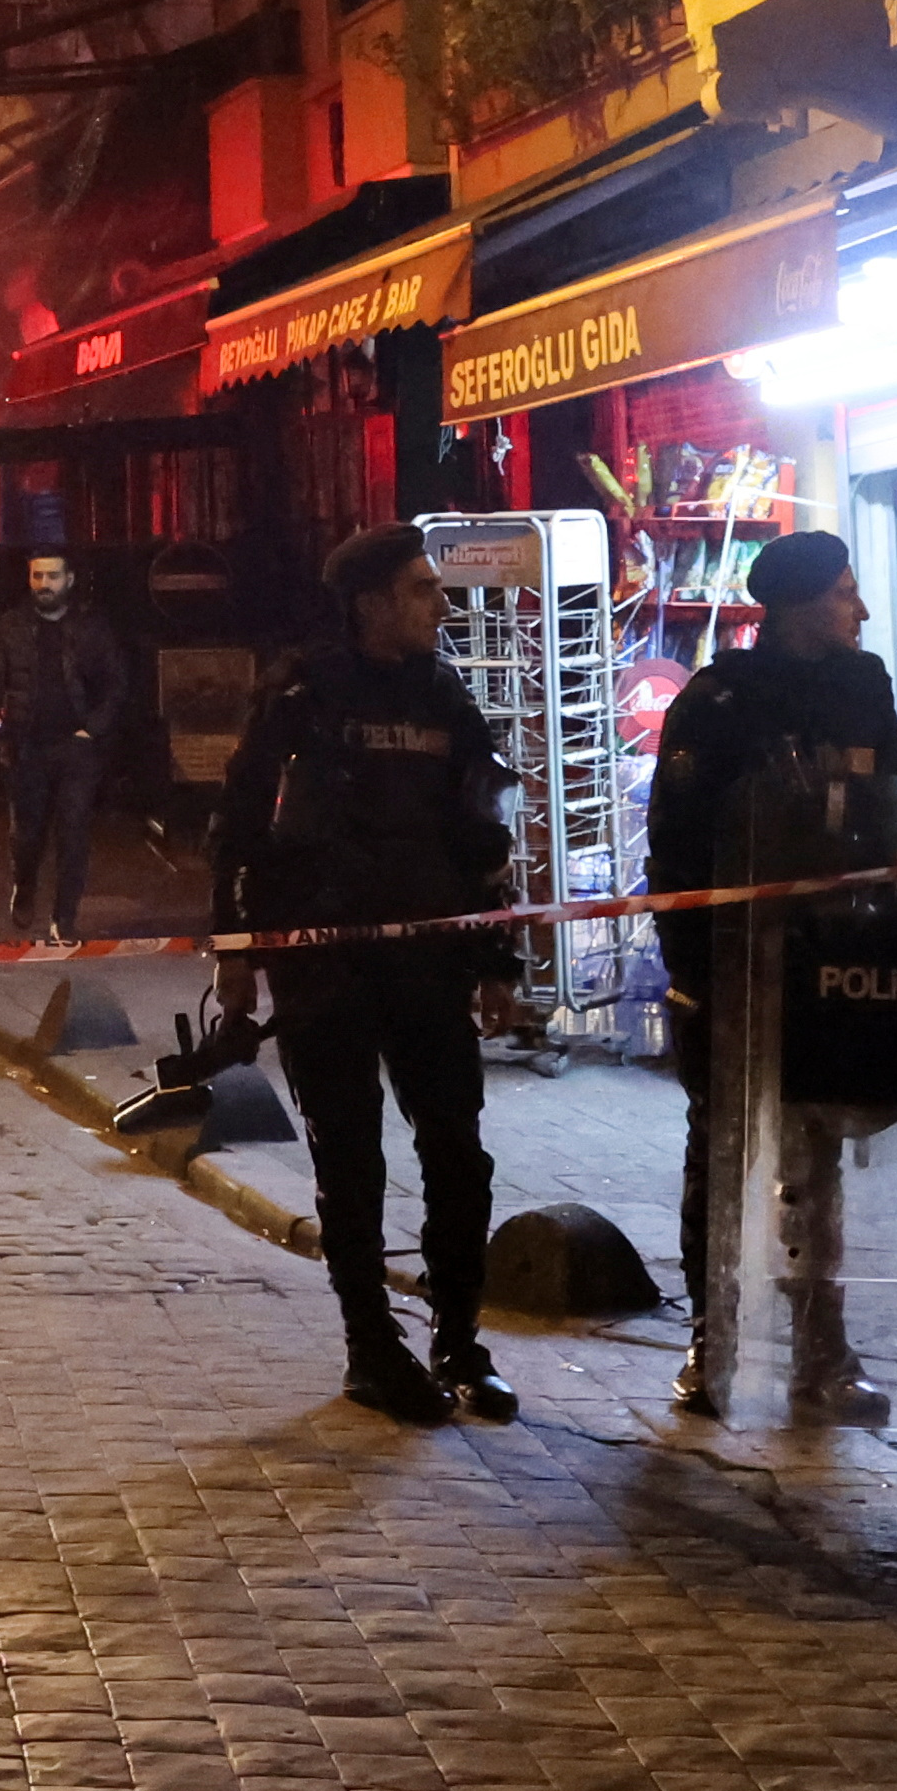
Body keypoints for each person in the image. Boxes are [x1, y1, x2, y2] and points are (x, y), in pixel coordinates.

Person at [214, 522, 524, 1427]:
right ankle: (371, 1349)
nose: (441, 603)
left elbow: (482, 840)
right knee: (350, 1162)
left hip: (428, 967)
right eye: (423, 588)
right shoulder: (302, 696)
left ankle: (459, 1339)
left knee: (458, 1159)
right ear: (370, 603)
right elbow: (238, 830)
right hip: (327, 967)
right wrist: (236, 956)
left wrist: (497, 960)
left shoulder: (445, 696)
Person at [641, 529, 897, 1422]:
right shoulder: (722, 701)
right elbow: (676, 849)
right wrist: (692, 974)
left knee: (820, 1154)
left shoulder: (861, 685)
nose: (861, 609)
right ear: (799, 607)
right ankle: (714, 1334)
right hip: (738, 962)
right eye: (846, 592)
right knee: (725, 1151)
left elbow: (896, 815)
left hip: (836, 955)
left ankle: (821, 1346)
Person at [0, 546, 149, 937]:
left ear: (69, 580)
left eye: (52, 576)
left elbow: (117, 683)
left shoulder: (92, 628)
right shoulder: (10, 626)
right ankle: (25, 887)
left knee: (74, 834)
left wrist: (93, 729)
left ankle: (64, 918)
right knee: (27, 835)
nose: (44, 584)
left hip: (76, 748)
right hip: (25, 746)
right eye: (37, 576)